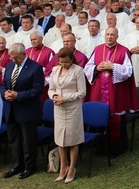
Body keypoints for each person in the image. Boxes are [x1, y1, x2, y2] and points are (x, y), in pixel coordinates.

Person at [84, 26, 138, 156]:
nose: (109, 37)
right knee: (98, 116)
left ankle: (116, 147)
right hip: (99, 90)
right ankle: (99, 147)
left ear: (117, 36)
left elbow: (128, 70)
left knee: (116, 117)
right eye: (107, 34)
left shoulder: (123, 50)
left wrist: (112, 66)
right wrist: (97, 67)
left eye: (112, 35)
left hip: (115, 91)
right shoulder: (97, 49)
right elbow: (87, 67)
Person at [2, 42, 45, 180]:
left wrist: (18, 95)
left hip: (27, 109)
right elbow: (4, 84)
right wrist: (5, 93)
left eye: (16, 58)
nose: (13, 60)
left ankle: (29, 166)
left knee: (28, 140)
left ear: (23, 54)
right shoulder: (9, 66)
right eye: (12, 58)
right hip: (11, 109)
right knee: (14, 139)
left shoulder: (35, 67)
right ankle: (16, 165)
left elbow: (38, 89)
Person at [48, 47, 86, 183]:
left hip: (72, 109)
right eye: (61, 62)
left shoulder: (78, 70)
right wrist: (54, 97)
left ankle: (72, 168)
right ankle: (63, 167)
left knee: (72, 139)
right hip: (58, 108)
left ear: (71, 59)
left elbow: (82, 92)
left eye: (66, 62)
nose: (63, 65)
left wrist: (65, 98)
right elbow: (51, 89)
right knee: (60, 139)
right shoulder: (55, 70)